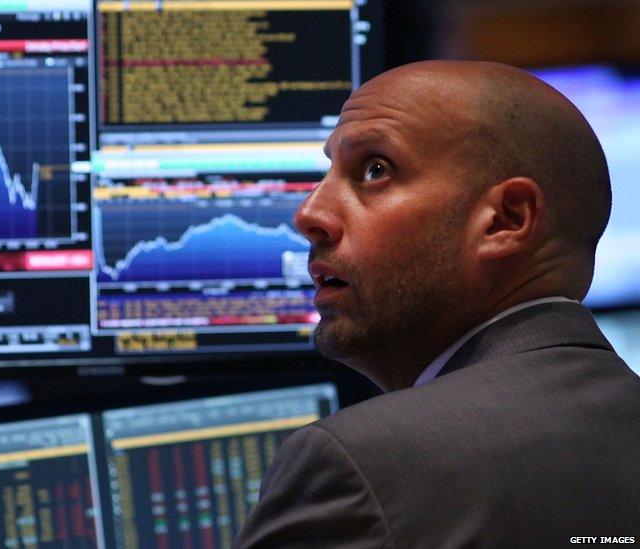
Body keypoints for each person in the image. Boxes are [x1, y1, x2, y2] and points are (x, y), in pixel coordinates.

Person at [235, 60, 640, 547]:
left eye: (374, 170)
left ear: (506, 219)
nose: (309, 214)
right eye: (330, 172)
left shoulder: (360, 464)